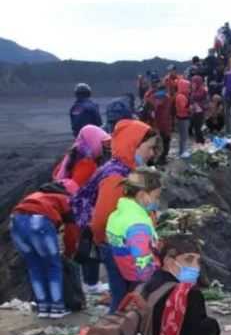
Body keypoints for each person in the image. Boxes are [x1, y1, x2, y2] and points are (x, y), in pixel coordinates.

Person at [71, 119, 158, 313]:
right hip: (119, 248)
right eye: (149, 148)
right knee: (123, 299)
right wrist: (113, 244)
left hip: (120, 246)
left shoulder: (125, 171)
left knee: (125, 297)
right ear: (133, 145)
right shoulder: (116, 178)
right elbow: (101, 220)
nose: (152, 154)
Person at [53, 124, 110, 293]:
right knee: (89, 245)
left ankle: (85, 282)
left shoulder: (74, 154)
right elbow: (80, 188)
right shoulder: (86, 162)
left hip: (72, 208)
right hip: (82, 210)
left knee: (83, 245)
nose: (106, 147)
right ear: (93, 142)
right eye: (103, 143)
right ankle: (90, 283)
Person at [10, 180, 79, 318]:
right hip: (39, 222)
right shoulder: (65, 199)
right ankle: (56, 308)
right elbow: (72, 231)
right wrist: (69, 252)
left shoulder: (37, 194)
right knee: (53, 266)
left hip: (15, 222)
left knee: (34, 266)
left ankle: (43, 307)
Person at [106, 169, 161, 306]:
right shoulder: (138, 224)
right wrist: (152, 285)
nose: (157, 201)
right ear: (142, 195)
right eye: (155, 196)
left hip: (123, 270)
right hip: (138, 280)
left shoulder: (116, 214)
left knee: (119, 304)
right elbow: (142, 263)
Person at [146, 83, 173, 165]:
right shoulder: (167, 98)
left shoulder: (152, 98)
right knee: (165, 141)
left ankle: (153, 160)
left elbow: (150, 112)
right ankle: (161, 159)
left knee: (156, 143)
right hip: (163, 124)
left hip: (156, 125)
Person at [175, 78, 191, 157]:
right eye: (187, 86)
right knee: (184, 136)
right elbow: (182, 108)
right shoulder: (181, 96)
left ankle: (182, 151)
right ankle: (182, 152)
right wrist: (191, 109)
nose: (189, 88)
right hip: (183, 118)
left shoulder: (181, 95)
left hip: (181, 117)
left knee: (183, 136)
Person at [190, 75, 208, 144]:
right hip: (196, 111)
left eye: (194, 82)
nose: (192, 84)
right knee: (196, 127)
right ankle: (199, 142)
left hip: (200, 111)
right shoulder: (196, 89)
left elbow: (200, 99)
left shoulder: (202, 90)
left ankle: (201, 142)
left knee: (198, 128)